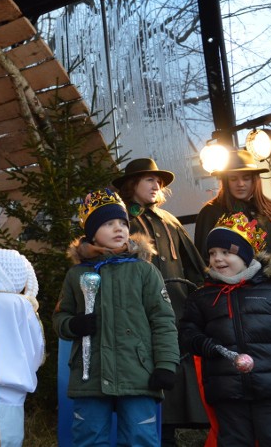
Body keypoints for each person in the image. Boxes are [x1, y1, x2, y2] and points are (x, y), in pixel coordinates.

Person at [53, 188, 179, 447]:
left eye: (122, 222)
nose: (118, 228)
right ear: (92, 232)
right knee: (89, 438)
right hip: (91, 376)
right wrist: (73, 324)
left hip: (138, 373)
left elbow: (163, 321)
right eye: (108, 223)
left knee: (139, 438)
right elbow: (60, 318)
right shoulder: (77, 275)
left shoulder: (145, 272)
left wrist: (166, 364)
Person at [112, 158, 209, 442]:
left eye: (159, 182)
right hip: (141, 316)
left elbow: (194, 267)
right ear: (132, 185)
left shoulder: (170, 220)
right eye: (148, 180)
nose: (156, 185)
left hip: (177, 315)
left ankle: (172, 436)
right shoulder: (122, 221)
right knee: (151, 381)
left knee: (176, 382)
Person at [180, 212, 271, 446]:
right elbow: (187, 333)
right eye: (212, 253)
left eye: (226, 252)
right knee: (234, 441)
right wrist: (204, 344)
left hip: (270, 389)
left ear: (245, 255)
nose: (217, 259)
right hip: (227, 390)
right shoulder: (202, 298)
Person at [194, 149, 271, 295]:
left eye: (246, 178)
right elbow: (204, 261)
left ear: (255, 179)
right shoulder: (212, 212)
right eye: (233, 178)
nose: (240, 184)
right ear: (225, 180)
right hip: (237, 297)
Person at [0, 248, 44, 447]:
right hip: (13, 394)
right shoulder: (25, 306)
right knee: (9, 440)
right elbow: (36, 350)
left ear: (2, 276)